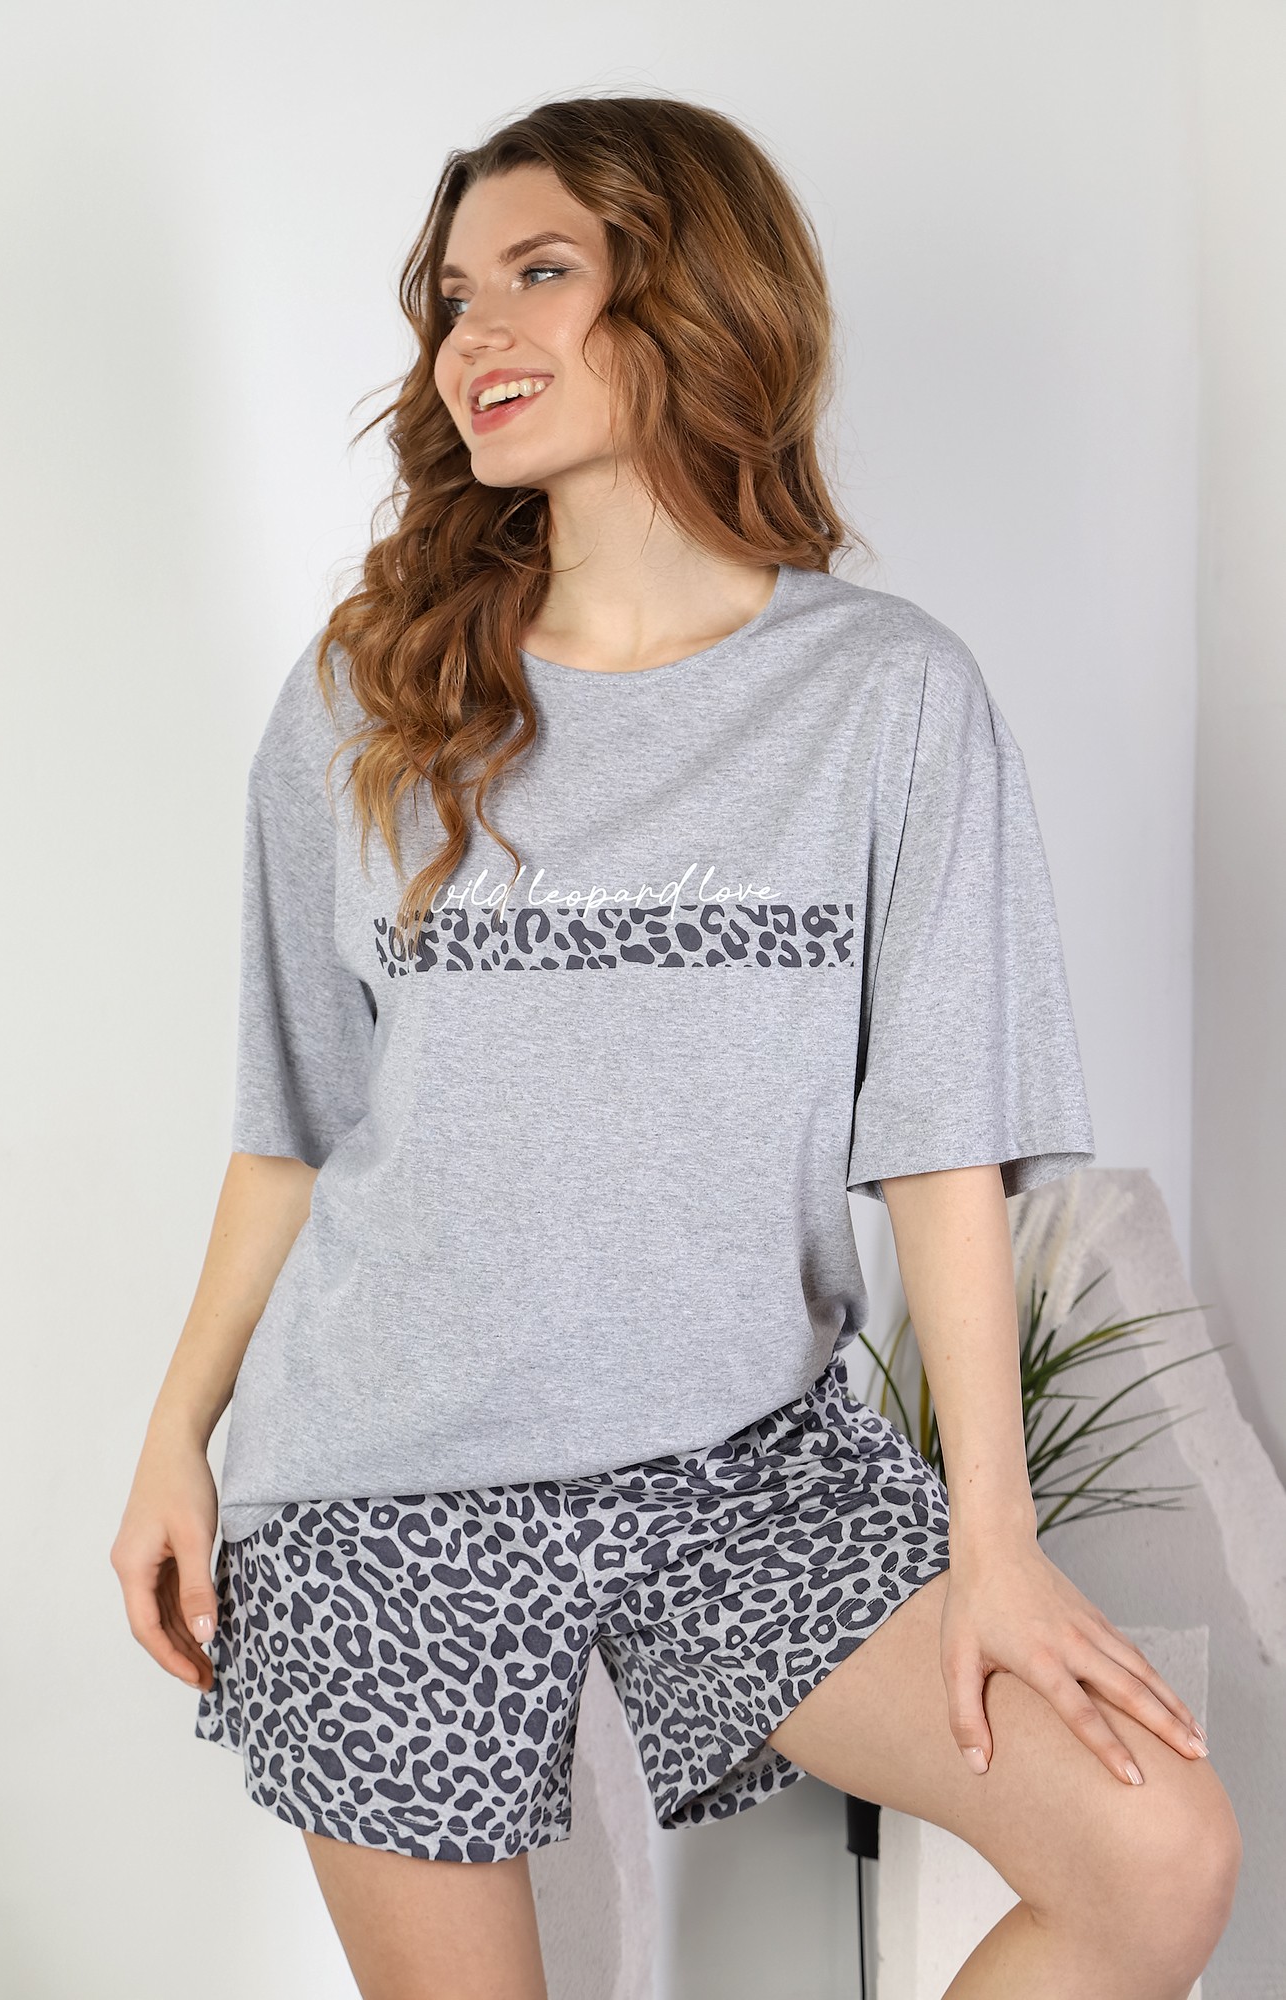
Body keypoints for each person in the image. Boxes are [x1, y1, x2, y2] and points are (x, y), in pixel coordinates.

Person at [111, 93, 1241, 2000]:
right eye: (453, 297)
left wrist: (994, 1537)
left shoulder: (884, 696)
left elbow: (942, 1136)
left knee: (1153, 1855)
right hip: (386, 1487)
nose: (474, 337)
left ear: (697, 295)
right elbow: (294, 1118)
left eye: (539, 273)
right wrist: (174, 1435)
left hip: (746, 1469)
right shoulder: (371, 699)